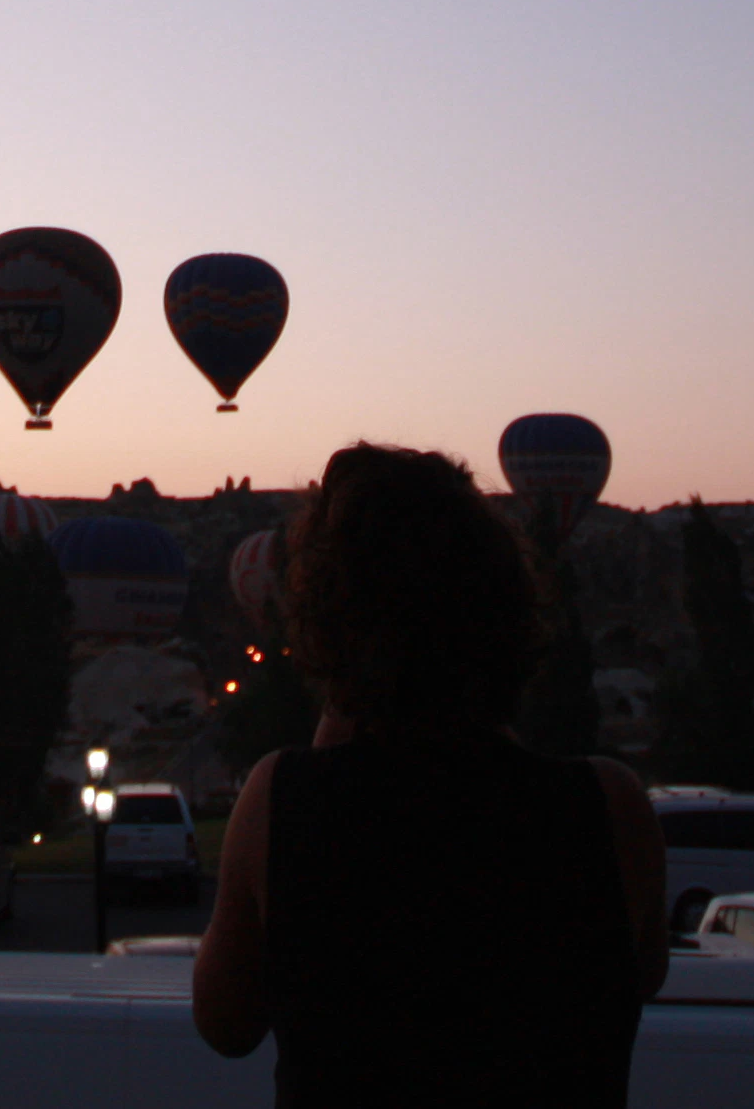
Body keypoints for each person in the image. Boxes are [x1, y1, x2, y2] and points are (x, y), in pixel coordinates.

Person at [194, 443, 668, 1106]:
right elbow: (641, 976)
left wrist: (346, 688)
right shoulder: (610, 806)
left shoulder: (284, 801)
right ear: (506, 599)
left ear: (327, 623)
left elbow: (224, 1022)